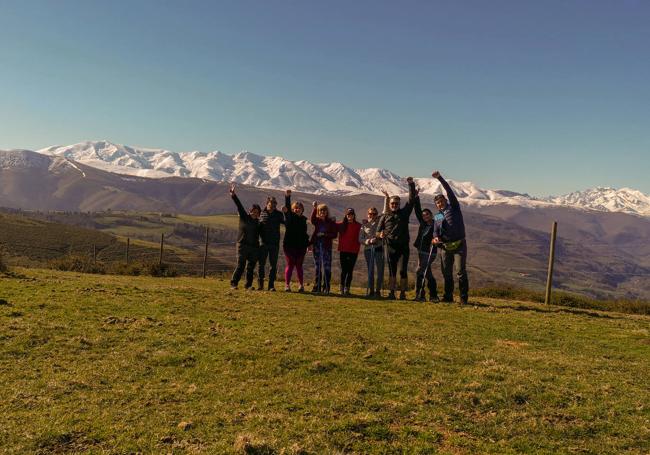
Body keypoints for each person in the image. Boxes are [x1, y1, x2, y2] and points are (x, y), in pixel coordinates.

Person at [431, 171, 469, 304]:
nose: (440, 204)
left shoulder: (454, 208)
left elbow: (449, 191)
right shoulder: (438, 216)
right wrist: (435, 238)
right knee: (446, 273)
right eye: (438, 203)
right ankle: (448, 296)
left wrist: (439, 178)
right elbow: (435, 231)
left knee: (460, 272)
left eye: (441, 201)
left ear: (445, 201)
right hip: (445, 247)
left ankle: (463, 298)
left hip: (459, 245)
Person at [378, 177, 417, 300]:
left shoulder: (404, 213)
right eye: (392, 203)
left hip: (403, 247)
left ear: (399, 204)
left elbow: (411, 201)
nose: (394, 205)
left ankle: (403, 293)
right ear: (389, 204)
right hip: (390, 247)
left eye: (396, 204)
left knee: (403, 271)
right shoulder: (384, 216)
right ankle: (392, 292)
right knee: (392, 271)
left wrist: (411, 184)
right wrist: (380, 235)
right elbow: (377, 232)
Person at [229, 183, 261, 290]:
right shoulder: (244, 217)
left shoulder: (258, 223)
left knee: (250, 268)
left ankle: (248, 285)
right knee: (241, 266)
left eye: (257, 213)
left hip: (254, 247)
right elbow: (239, 205)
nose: (255, 214)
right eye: (254, 212)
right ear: (250, 211)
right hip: (242, 245)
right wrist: (233, 195)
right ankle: (234, 284)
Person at [413, 192, 440, 302]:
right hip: (421, 251)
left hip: (430, 252)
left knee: (420, 271)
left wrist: (436, 239)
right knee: (427, 273)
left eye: (427, 214)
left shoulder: (436, 223)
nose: (425, 216)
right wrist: (416, 197)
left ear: (431, 215)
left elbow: (442, 214)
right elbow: (417, 210)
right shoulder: (423, 224)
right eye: (423, 215)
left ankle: (421, 295)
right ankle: (433, 296)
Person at [281, 190, 309, 292]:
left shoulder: (304, 220)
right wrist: (287, 197)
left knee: (299, 265)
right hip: (289, 246)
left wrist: (308, 245)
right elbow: (287, 209)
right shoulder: (290, 218)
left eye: (299, 208)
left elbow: (305, 234)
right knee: (291, 264)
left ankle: (301, 285)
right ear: (292, 210)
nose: (297, 209)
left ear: (302, 210)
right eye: (295, 208)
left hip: (301, 247)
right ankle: (287, 285)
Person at [309, 201, 338, 294]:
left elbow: (334, 235)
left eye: (324, 211)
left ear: (327, 212)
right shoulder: (317, 221)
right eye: (320, 211)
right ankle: (316, 286)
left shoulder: (331, 222)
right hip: (317, 246)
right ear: (318, 212)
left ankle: (326, 286)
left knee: (327, 267)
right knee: (318, 267)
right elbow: (312, 219)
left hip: (326, 247)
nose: (322, 212)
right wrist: (314, 208)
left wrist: (325, 234)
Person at [258, 195, 284, 291]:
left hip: (274, 244)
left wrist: (286, 212)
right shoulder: (261, 213)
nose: (272, 206)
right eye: (271, 204)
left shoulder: (279, 214)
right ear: (267, 204)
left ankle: (271, 285)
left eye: (274, 204)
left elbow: (286, 222)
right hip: (263, 243)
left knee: (273, 265)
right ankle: (260, 285)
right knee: (261, 264)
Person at [359, 205, 385, 297]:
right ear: (367, 214)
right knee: (371, 271)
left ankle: (378, 291)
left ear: (377, 215)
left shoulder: (380, 222)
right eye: (370, 214)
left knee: (380, 270)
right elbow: (360, 239)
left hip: (379, 248)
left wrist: (387, 198)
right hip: (368, 249)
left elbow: (385, 211)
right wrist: (369, 241)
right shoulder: (364, 225)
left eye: (374, 214)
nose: (372, 216)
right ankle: (371, 290)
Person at [337, 208, 362, 295]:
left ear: (354, 215)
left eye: (351, 214)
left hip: (353, 251)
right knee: (344, 270)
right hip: (343, 250)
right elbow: (332, 226)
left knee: (350, 270)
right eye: (348, 214)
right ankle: (341, 287)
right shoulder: (341, 225)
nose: (350, 216)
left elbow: (365, 230)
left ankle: (347, 288)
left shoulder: (358, 225)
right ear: (346, 215)